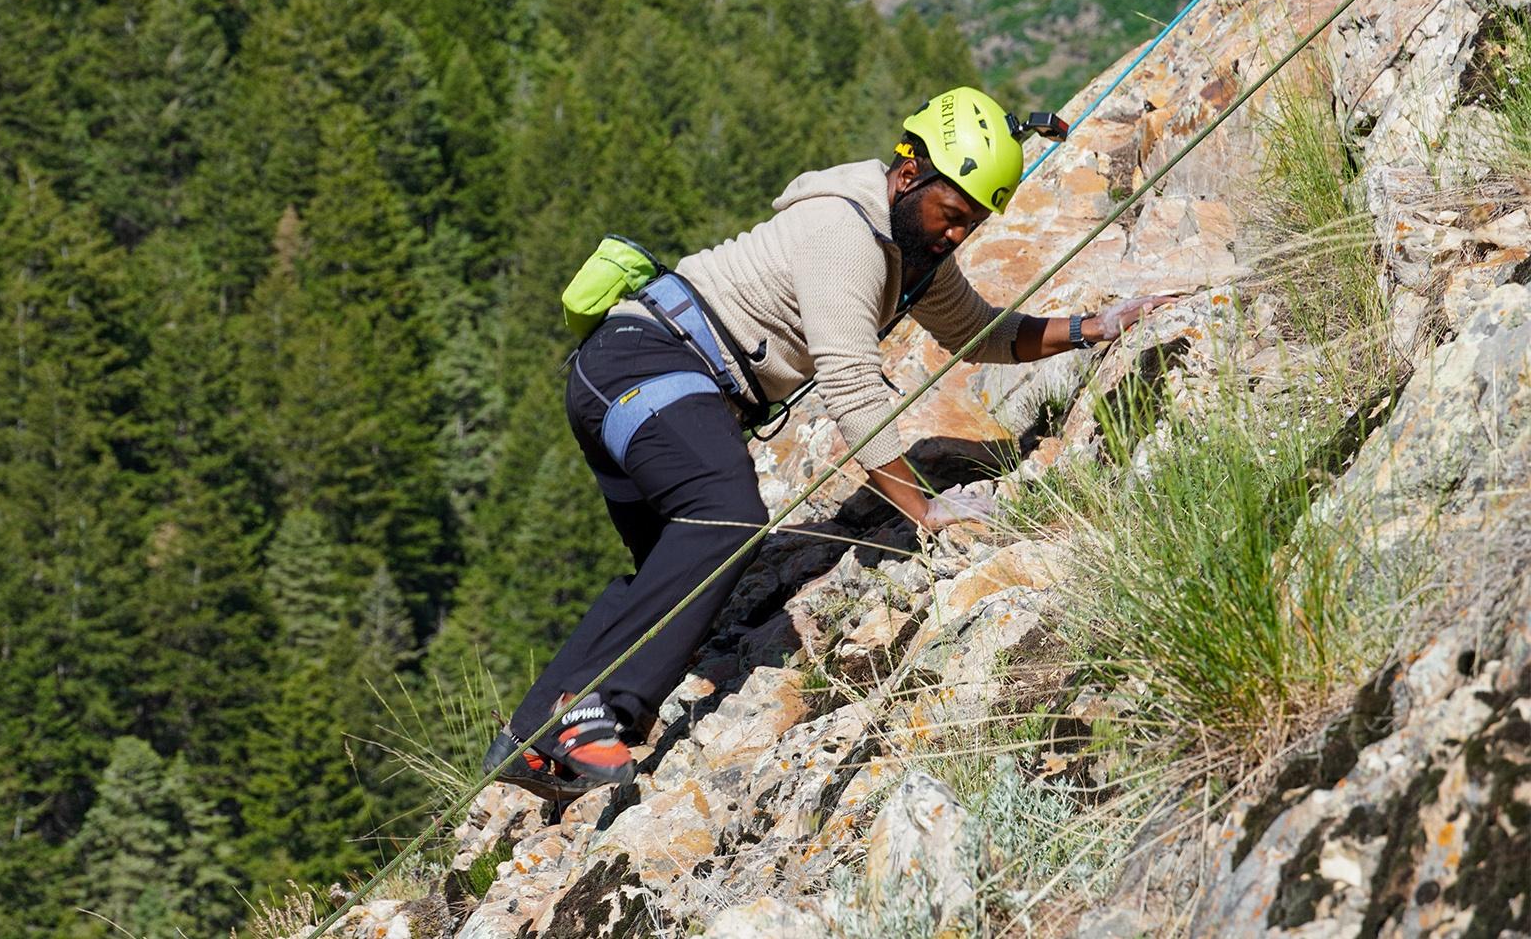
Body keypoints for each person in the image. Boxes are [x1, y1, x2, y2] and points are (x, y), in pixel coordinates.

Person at [482, 87, 1175, 801]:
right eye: (953, 215)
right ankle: (602, 712)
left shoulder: (907, 257)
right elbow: (851, 385)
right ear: (910, 177)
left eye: (971, 224)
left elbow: (982, 332)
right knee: (727, 516)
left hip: (623, 380)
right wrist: (926, 512)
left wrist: (1096, 326)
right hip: (651, 365)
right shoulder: (846, 234)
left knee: (677, 567)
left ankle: (530, 737)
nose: (957, 236)